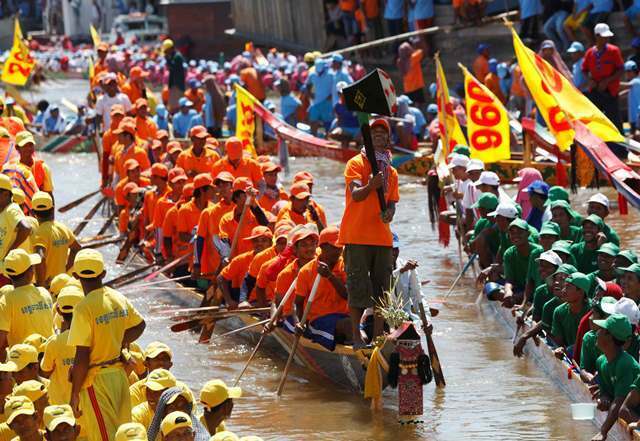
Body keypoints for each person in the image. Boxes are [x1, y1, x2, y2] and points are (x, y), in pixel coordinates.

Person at [67, 249, 146, 441]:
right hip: (119, 376)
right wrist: (117, 342)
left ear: (76, 275)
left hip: (97, 380)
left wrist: (75, 393)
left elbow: (82, 355)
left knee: (104, 437)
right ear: (103, 273)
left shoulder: (83, 308)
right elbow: (140, 325)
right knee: (123, 435)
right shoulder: (116, 297)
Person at [339, 118, 398, 347]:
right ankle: (356, 337)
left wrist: (389, 213)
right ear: (367, 139)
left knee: (383, 290)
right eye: (374, 134)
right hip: (356, 236)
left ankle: (377, 337)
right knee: (357, 288)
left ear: (388, 140)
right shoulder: (355, 163)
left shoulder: (391, 172)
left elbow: (392, 202)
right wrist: (372, 185)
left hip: (382, 238)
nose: (379, 137)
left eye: (383, 134)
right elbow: (356, 194)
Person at [294, 226, 350, 350]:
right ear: (323, 247)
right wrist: (300, 324)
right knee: (349, 326)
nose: (338, 251)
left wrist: (330, 276)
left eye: (340, 247)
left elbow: (347, 295)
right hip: (318, 320)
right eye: (334, 247)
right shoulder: (306, 271)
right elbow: (298, 303)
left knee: (359, 327)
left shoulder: (345, 266)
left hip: (343, 316)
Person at [591, 314, 640, 441]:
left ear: (609, 336)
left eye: (601, 330)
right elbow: (606, 392)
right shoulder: (601, 361)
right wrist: (604, 398)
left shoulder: (625, 364)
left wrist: (603, 431)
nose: (596, 332)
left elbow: (619, 403)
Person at [0, 248, 54, 354]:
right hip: (48, 359)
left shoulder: (6, 301)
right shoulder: (44, 293)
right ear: (31, 272)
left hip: (23, 364)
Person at [40, 285, 83, 405]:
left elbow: (45, 371)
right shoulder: (91, 338)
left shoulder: (54, 342)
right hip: (84, 403)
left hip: (59, 405)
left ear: (58, 311)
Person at [31, 192, 79, 288]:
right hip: (63, 284)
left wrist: (41, 284)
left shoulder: (39, 233)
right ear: (52, 209)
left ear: (33, 212)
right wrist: (66, 269)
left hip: (49, 287)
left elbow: (40, 257)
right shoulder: (63, 228)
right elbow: (76, 248)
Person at [582, 23, 624, 133]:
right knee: (595, 120)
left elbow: (620, 69)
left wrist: (607, 81)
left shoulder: (614, 51)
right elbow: (584, 70)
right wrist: (590, 80)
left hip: (610, 91)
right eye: (604, 37)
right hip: (595, 91)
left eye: (607, 37)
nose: (607, 39)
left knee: (614, 120)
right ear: (597, 36)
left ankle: (620, 149)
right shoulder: (590, 53)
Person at [550, 272, 591, 354]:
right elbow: (558, 342)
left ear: (581, 292)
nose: (563, 290)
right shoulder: (559, 311)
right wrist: (560, 350)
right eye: (564, 286)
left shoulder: (592, 312)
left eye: (568, 287)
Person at [305, 59, 335, 135]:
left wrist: (332, 95)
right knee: (313, 120)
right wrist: (310, 93)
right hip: (315, 101)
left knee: (328, 122)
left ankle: (327, 137)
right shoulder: (312, 74)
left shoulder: (331, 75)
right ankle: (313, 136)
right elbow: (308, 84)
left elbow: (335, 87)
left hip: (327, 102)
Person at [164, 39, 186, 113]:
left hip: (177, 85)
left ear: (170, 48)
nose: (166, 52)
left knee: (174, 107)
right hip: (174, 85)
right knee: (172, 106)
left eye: (167, 50)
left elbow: (173, 68)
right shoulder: (173, 56)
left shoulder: (177, 57)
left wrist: (167, 59)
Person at [621, 61, 640, 136]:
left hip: (637, 116)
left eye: (628, 71)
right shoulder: (635, 83)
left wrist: (611, 82)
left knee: (636, 136)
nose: (626, 74)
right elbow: (622, 94)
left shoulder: (636, 81)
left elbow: (625, 86)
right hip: (633, 117)